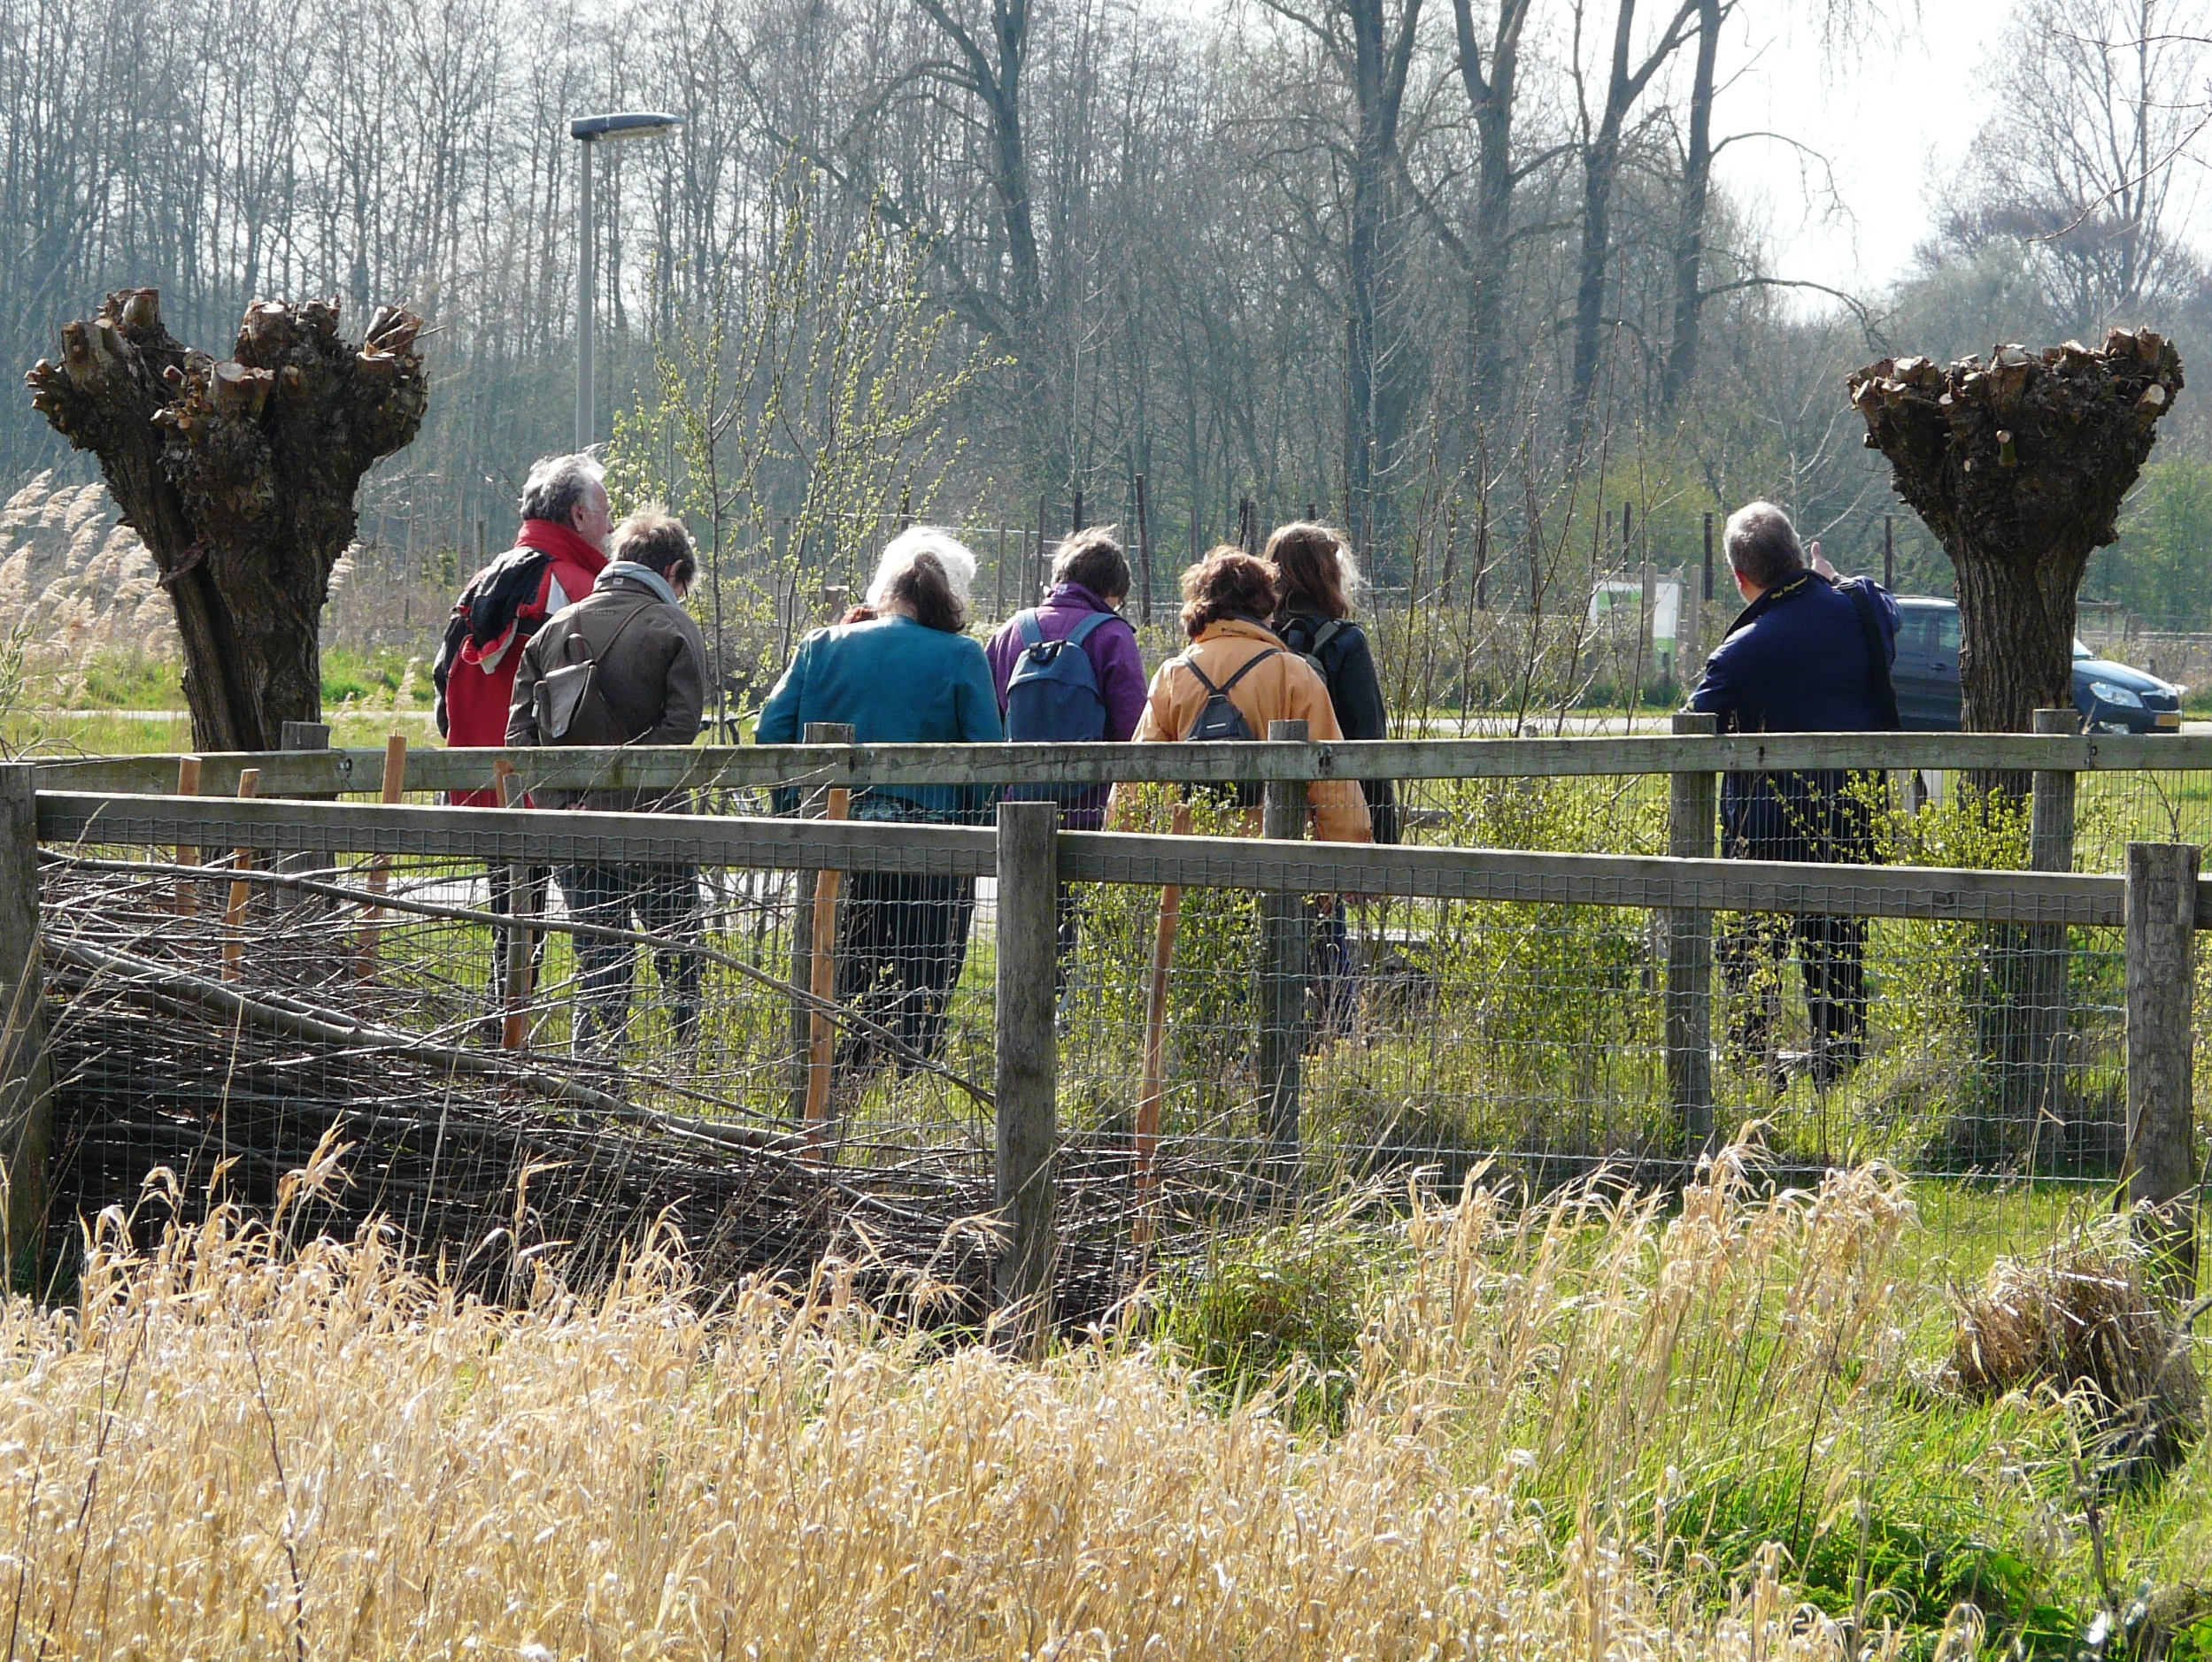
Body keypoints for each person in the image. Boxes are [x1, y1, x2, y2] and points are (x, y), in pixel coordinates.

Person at [756, 529, 1003, 1079]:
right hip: (933, 852)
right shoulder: (963, 655)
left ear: (885, 592)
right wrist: (973, 817)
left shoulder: (821, 645)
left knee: (840, 971)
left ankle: (827, 1084)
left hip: (834, 840)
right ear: (946, 601)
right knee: (925, 976)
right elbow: (992, 760)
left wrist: (794, 805)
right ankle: (907, 1085)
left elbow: (768, 731)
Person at [1687, 500, 1900, 1090]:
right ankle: (1839, 1081)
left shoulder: (1742, 650)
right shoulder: (1859, 613)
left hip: (1764, 833)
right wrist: (1837, 583)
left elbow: (1688, 726)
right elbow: (1887, 609)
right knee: (1836, 958)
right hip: (1849, 823)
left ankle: (1754, 1077)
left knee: (1749, 959)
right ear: (1796, 553)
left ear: (1739, 577)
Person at [509, 506, 710, 1056]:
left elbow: (518, 738)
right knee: (681, 957)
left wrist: (565, 808)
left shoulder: (551, 631)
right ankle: (684, 1068)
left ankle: (591, 1081)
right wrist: (614, 798)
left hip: (575, 831)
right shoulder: (673, 627)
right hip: (657, 827)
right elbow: (679, 733)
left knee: (599, 961)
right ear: (673, 572)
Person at [433, 453, 613, 1027]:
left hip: (484, 787)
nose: (612, 523)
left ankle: (501, 1046)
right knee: (598, 936)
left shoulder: (488, 578)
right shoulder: (577, 586)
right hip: (557, 794)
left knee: (512, 927)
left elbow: (443, 683)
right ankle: (575, 1064)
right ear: (580, 514)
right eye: (605, 510)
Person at [1112, 548, 1372, 844]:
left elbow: (1137, 777)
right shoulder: (1293, 673)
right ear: (1263, 606)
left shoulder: (1173, 675)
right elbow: (1331, 778)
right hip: (1273, 860)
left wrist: (1122, 849)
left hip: (1189, 860)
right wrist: (1352, 856)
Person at [1264, 521, 1398, 842]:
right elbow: (1368, 744)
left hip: (1262, 815)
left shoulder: (1257, 639)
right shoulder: (1345, 641)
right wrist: (1384, 840)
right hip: (1334, 811)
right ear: (1326, 574)